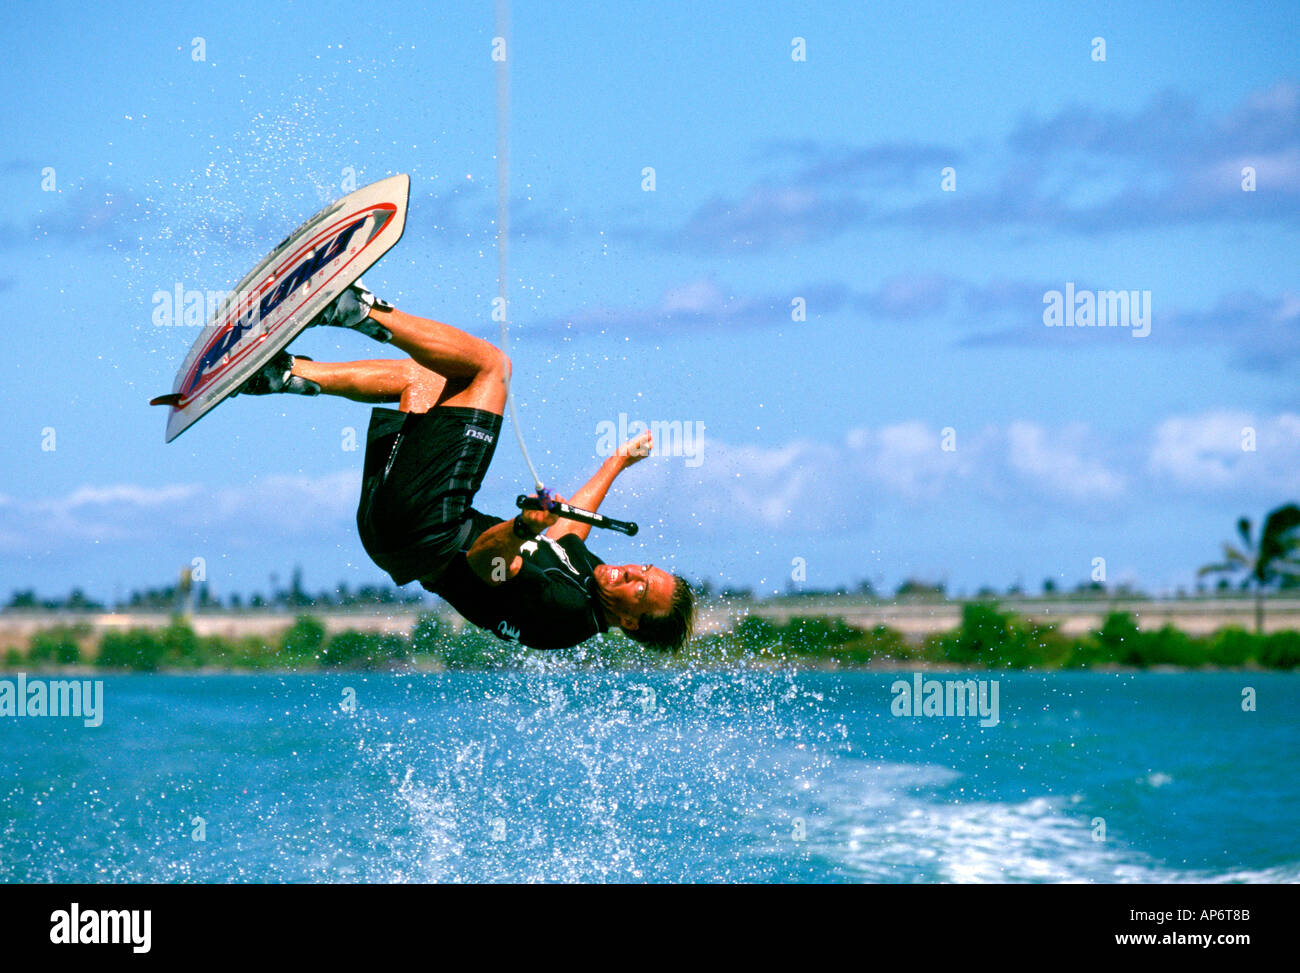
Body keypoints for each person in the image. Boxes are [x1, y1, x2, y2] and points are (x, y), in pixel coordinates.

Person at [238, 282, 695, 652]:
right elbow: (566, 537)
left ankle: (353, 309)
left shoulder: (566, 610)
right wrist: (616, 462)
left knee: (491, 369)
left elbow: (485, 565)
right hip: (393, 538)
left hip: (429, 532)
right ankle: (284, 374)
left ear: (631, 622)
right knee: (425, 377)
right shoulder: (593, 585)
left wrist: (520, 529)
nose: (630, 573)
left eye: (639, 589)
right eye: (645, 569)